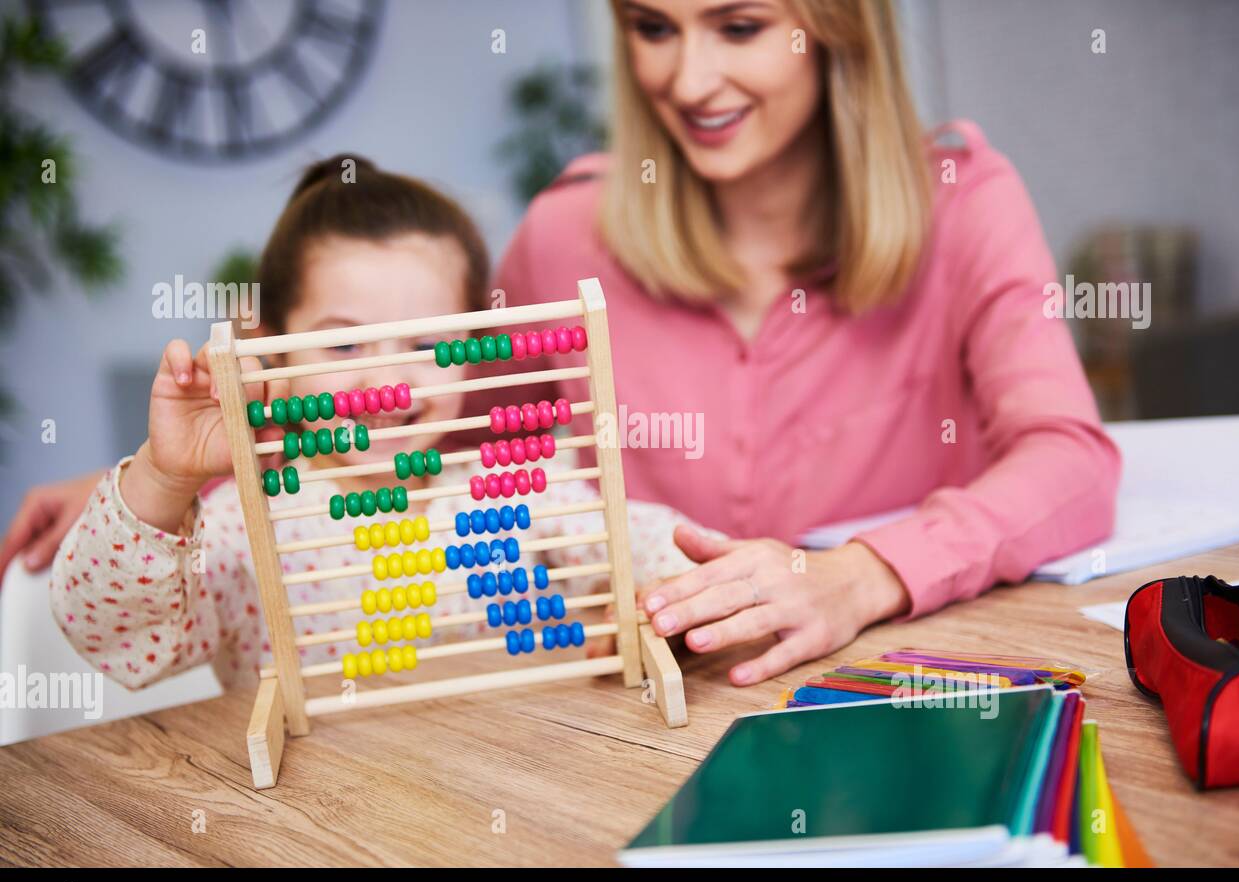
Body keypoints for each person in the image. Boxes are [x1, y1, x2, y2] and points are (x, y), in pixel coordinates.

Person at [5, 0, 1120, 690]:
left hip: (866, 667)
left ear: (834, 24)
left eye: (736, 24)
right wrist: (146, 483)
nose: (686, 80)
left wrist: (856, 576)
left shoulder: (962, 204)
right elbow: (420, 430)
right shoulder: (567, 232)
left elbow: (1070, 463)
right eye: (649, 25)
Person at [44, 156, 697, 689]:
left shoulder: (518, 494)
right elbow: (118, 637)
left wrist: (661, 598)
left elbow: (642, 538)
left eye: (423, 345)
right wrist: (163, 478)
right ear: (271, 352)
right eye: (346, 345)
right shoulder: (245, 527)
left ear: (472, 350)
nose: (387, 383)